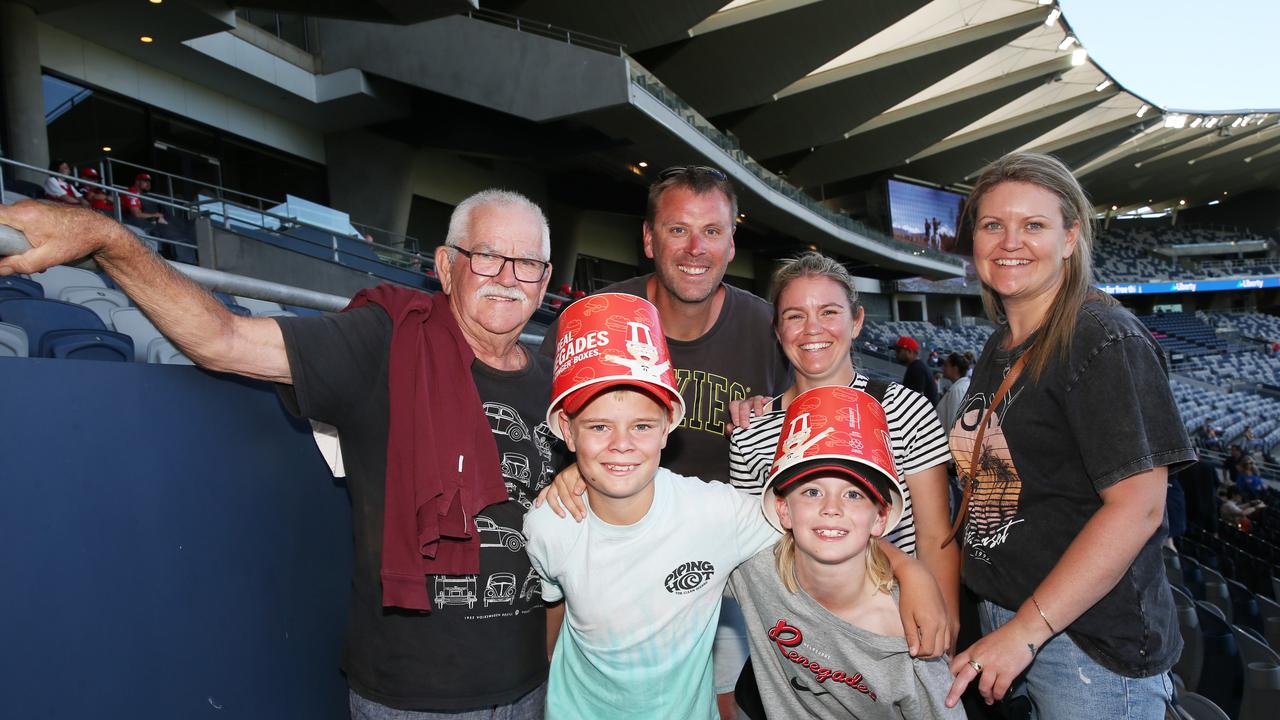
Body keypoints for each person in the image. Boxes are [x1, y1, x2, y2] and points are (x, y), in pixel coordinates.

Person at [0, 190, 563, 717]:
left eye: (527, 264)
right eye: (487, 256)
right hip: (413, 698)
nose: (508, 278)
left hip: (529, 687)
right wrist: (110, 242)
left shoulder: (558, 390)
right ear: (445, 266)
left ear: (545, 283)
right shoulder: (387, 342)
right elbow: (223, 339)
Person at [944, 152, 1195, 718]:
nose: (1010, 241)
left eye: (1033, 225)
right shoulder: (1001, 344)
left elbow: (1138, 509)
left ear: (1069, 238)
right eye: (993, 225)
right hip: (1012, 623)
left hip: (1082, 647)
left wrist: (1027, 631)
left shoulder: (1103, 339)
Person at [537, 164, 788, 718]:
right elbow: (555, 428)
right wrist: (574, 464)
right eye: (678, 229)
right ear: (649, 240)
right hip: (618, 554)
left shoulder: (770, 330)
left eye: (712, 231)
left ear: (731, 242)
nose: (696, 248)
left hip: (733, 547)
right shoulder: (593, 321)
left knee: (723, 699)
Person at [726, 252, 959, 648]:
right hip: (802, 637)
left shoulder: (907, 409)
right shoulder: (750, 431)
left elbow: (935, 534)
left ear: (857, 322)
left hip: (899, 627)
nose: (812, 328)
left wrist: (946, 628)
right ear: (778, 330)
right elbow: (758, 554)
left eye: (829, 311)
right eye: (795, 315)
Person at [729, 385, 964, 719]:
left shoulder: (906, 635)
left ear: (881, 517)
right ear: (783, 510)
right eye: (812, 491)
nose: (831, 508)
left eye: (853, 495)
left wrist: (911, 568)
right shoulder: (752, 567)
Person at [895, 335, 939, 406]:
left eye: (898, 351)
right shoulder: (917, 366)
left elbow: (913, 399)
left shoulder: (917, 368)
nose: (896, 354)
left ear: (909, 351)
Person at [935, 352, 971, 430]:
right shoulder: (961, 386)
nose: (943, 368)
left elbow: (953, 425)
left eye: (946, 365)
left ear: (955, 369)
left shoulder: (957, 390)